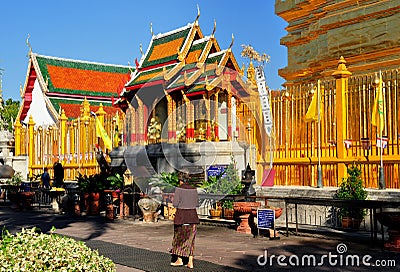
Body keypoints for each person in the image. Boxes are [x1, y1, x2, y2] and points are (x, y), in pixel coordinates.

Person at [170, 172, 199, 269]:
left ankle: (179, 259)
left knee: (179, 239)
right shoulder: (194, 189)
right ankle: (190, 261)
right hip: (192, 217)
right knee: (191, 240)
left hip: (182, 217)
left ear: (180, 180)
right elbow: (196, 203)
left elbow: (175, 203)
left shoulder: (179, 189)